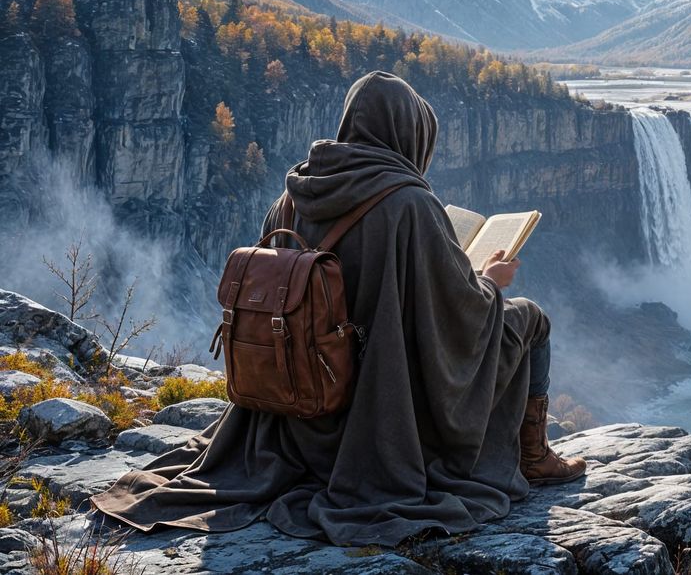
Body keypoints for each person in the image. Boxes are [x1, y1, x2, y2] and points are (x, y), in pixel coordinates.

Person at [93, 71, 585, 546]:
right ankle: (534, 456)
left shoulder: (292, 196)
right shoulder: (410, 205)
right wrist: (490, 281)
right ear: (409, 135)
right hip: (380, 413)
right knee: (530, 318)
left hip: (296, 409)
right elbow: (462, 316)